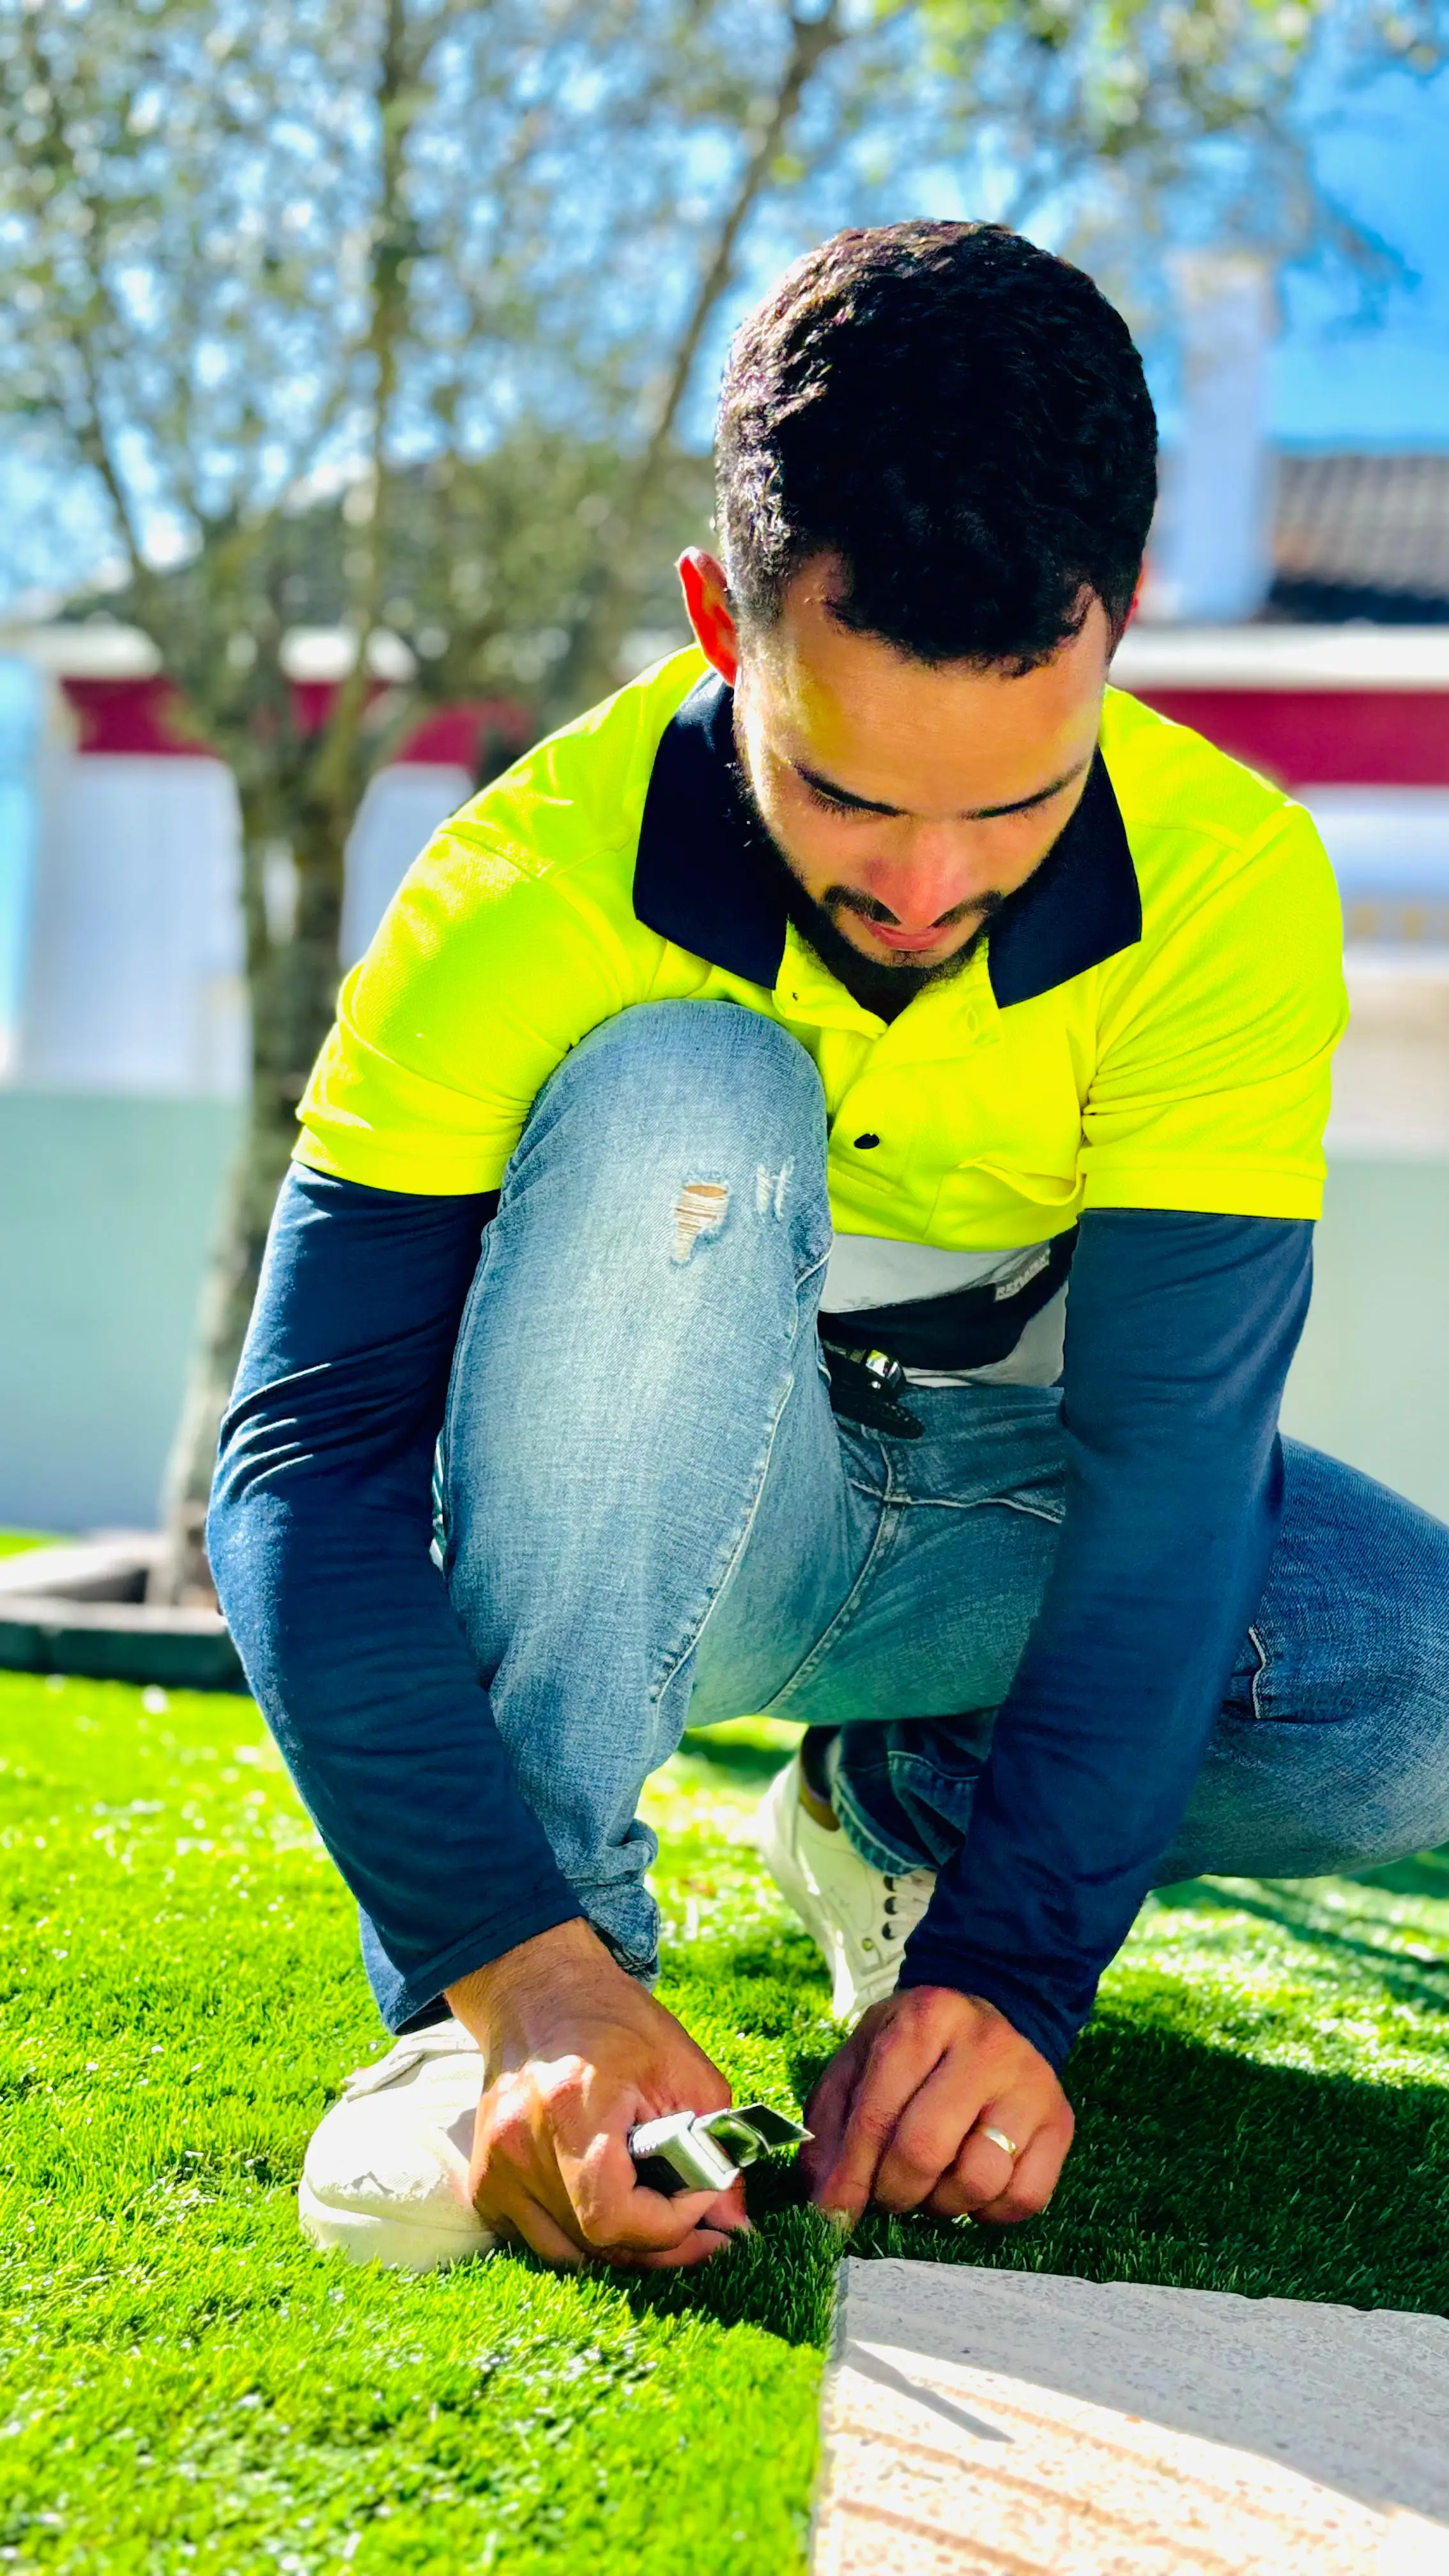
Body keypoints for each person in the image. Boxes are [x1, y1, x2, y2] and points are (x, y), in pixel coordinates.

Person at [209, 220, 1449, 2277]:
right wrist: (509, 1962)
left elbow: (1165, 1486)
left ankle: (896, 1819)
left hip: (991, 1520)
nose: (926, 886)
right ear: (720, 625)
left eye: (1016, 803)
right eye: (848, 793)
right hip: (634, 1525)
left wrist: (1014, 1972)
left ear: (1115, 627)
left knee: (1411, 1679)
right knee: (688, 1091)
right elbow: (305, 1458)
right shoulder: (519, 883)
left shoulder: (1234, 892)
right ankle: (501, 2023)